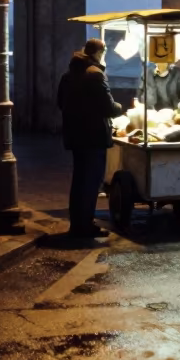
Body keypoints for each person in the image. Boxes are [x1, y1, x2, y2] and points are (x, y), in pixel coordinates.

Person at [57, 37, 122, 238]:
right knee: (91, 182)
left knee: (79, 181)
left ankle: (78, 224)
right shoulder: (95, 75)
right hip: (93, 137)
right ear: (99, 53)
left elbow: (60, 103)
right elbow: (109, 107)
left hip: (75, 136)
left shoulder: (68, 75)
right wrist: (120, 107)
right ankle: (85, 226)